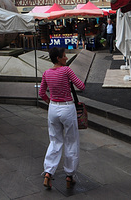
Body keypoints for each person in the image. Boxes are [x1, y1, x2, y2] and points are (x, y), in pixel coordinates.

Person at [38, 47, 86, 190]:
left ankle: (48, 173)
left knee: (55, 140)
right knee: (71, 141)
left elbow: (41, 92)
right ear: (58, 58)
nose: (66, 58)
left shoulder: (46, 73)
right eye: (64, 56)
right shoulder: (66, 70)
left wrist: (50, 102)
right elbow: (81, 86)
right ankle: (69, 175)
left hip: (53, 108)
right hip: (67, 108)